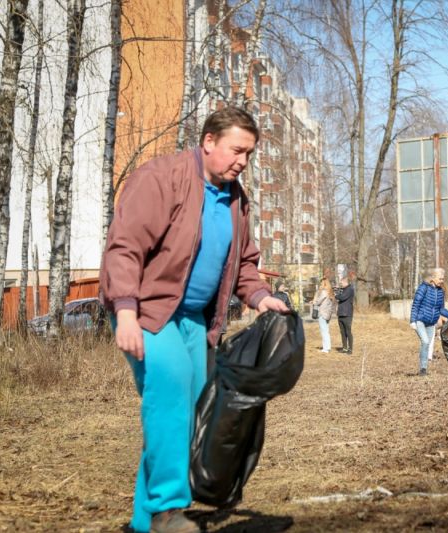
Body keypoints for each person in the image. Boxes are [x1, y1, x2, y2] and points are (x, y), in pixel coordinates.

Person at [99, 106, 289, 533]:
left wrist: (261, 298)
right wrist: (126, 311)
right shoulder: (162, 178)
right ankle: (168, 510)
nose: (242, 161)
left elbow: (243, 263)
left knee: (191, 410)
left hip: (195, 322)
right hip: (149, 311)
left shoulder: (236, 198)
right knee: (171, 397)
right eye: (237, 150)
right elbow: (125, 246)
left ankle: (142, 522)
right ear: (208, 141)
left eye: (249, 154)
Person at [410, 268, 448, 376]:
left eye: (443, 279)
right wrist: (413, 321)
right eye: (440, 278)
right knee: (425, 341)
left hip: (431, 322)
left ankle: (423, 369)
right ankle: (423, 368)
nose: (442, 281)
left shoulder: (440, 291)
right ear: (433, 278)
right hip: (420, 320)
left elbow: (441, 309)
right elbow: (416, 304)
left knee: (428, 345)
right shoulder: (423, 288)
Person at [313, 278, 334, 353]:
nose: (320, 285)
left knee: (324, 331)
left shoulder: (324, 292)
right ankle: (327, 347)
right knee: (326, 331)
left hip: (323, 313)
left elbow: (318, 302)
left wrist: (314, 301)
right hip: (328, 314)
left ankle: (326, 348)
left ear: (325, 284)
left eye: (321, 284)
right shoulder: (330, 293)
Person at [335, 277, 355, 354]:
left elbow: (342, 297)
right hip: (341, 314)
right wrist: (338, 289)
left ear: (345, 282)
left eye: (341, 283)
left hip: (347, 314)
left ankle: (350, 349)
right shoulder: (343, 289)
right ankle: (345, 348)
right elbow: (341, 293)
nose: (341, 284)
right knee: (342, 332)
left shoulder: (350, 289)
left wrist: (336, 295)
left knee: (348, 332)